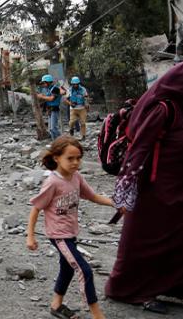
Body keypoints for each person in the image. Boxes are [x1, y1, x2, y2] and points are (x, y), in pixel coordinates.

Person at [105, 57, 183, 314]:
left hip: (182, 183)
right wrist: (126, 191)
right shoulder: (164, 108)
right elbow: (139, 148)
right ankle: (127, 290)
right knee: (144, 242)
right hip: (154, 188)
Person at [27, 137, 112, 319]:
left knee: (66, 269)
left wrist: (115, 203)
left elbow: (93, 196)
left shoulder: (76, 177)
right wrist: (30, 236)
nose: (75, 162)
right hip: (59, 235)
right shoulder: (52, 182)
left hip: (71, 232)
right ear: (57, 158)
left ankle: (56, 305)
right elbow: (36, 209)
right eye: (70, 158)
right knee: (85, 270)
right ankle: (97, 314)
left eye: (78, 158)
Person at [36, 75, 66, 140]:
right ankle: (54, 142)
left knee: (53, 128)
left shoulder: (55, 89)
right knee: (50, 129)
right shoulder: (48, 89)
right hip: (49, 109)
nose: (43, 85)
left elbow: (51, 99)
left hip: (54, 109)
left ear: (48, 82)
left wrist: (41, 97)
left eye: (44, 83)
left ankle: (62, 140)